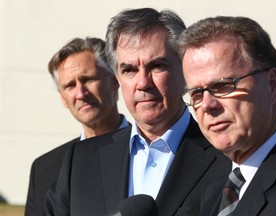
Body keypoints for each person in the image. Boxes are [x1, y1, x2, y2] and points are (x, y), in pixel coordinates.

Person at [43, 8, 230, 216]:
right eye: (129, 70)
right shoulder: (80, 161)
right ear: (117, 79)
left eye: (157, 66)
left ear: (185, 71)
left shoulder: (227, 159)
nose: (143, 83)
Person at [179, 16, 276, 215]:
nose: (206, 105)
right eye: (196, 93)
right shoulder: (214, 193)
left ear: (271, 84)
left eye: (222, 86)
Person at [24, 37, 129, 216]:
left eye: (88, 79)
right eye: (70, 85)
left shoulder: (149, 150)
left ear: (114, 81)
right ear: (63, 98)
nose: (81, 93)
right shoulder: (44, 170)